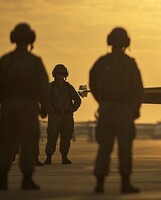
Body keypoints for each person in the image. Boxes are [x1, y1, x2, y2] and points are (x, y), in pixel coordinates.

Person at [89, 27, 143, 194]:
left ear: (109, 41)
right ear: (126, 43)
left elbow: (93, 84)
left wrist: (102, 102)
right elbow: (138, 88)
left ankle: (99, 184)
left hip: (106, 109)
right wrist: (134, 108)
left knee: (104, 146)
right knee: (125, 147)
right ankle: (125, 183)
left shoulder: (101, 62)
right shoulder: (129, 64)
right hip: (124, 110)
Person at [0, 23, 49, 190]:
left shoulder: (5, 61)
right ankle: (27, 178)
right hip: (28, 106)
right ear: (31, 39)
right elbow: (43, 86)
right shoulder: (34, 62)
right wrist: (45, 107)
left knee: (5, 142)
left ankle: (2, 178)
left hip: (8, 105)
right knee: (28, 141)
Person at [44, 64, 81, 165]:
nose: (60, 75)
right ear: (55, 74)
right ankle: (48, 157)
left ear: (65, 75)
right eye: (58, 73)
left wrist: (72, 109)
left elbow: (77, 99)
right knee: (52, 136)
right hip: (55, 116)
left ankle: (64, 157)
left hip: (67, 116)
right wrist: (50, 109)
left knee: (66, 137)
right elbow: (45, 100)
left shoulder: (69, 87)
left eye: (62, 73)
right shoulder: (50, 87)